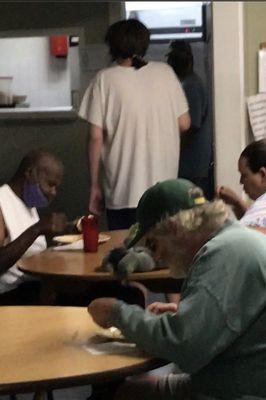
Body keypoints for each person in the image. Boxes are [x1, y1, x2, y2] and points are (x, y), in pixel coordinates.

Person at [88, 178, 266, 400]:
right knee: (137, 388)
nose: (158, 256)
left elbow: (183, 346)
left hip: (254, 389)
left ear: (174, 228)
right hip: (262, 374)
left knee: (130, 393)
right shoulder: (239, 240)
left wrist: (117, 313)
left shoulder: (222, 253)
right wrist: (182, 313)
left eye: (154, 244)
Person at [79, 19, 190, 230]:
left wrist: (94, 185)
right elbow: (184, 123)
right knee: (164, 256)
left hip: (124, 193)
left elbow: (95, 137)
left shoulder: (105, 80)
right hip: (164, 192)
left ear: (112, 46)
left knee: (125, 254)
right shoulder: (166, 73)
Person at [0, 149, 67, 304]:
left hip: (36, 286)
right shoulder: (2, 201)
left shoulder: (28, 204)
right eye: (50, 184)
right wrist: (37, 229)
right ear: (30, 173)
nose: (53, 192)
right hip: (12, 294)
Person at [217, 135, 266, 248]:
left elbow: (243, 240)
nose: (241, 182)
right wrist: (237, 203)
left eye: (244, 175)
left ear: (262, 174)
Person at [167, 40, 213, 199]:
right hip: (192, 165)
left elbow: (191, 127)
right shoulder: (186, 84)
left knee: (193, 210)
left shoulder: (191, 86)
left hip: (193, 165)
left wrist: (174, 152)